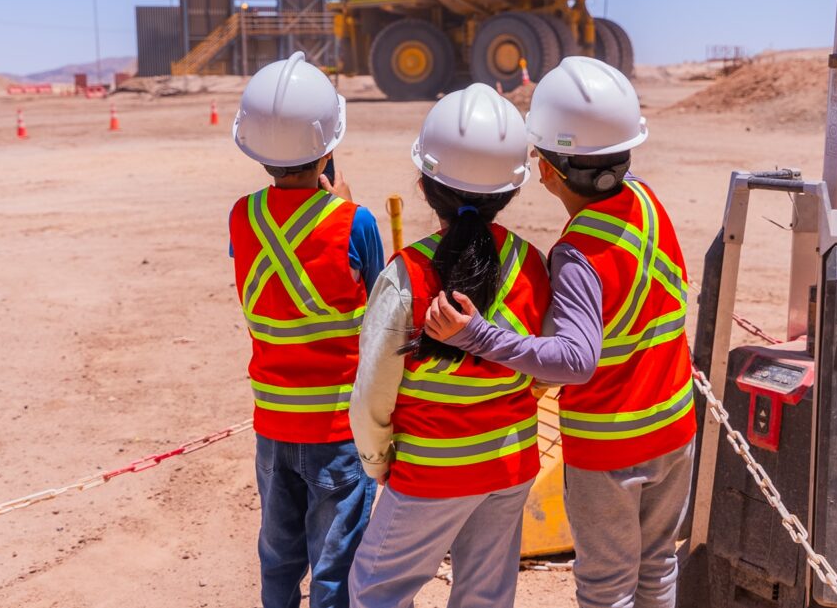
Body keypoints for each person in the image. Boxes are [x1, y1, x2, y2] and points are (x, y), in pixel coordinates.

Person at [425, 57, 696, 608]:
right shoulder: (647, 202)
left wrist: (480, 336)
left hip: (612, 447)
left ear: (545, 170)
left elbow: (575, 360)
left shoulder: (576, 254)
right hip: (675, 427)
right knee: (658, 566)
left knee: (607, 587)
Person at [347, 83, 552, 608]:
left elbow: (374, 391)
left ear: (423, 184)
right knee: (486, 595)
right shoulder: (531, 263)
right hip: (509, 465)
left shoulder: (405, 276)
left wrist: (377, 463)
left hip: (429, 472)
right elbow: (541, 368)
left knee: (375, 590)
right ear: (511, 191)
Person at [230, 52, 383, 608]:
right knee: (336, 561)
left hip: (272, 423)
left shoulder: (240, 218)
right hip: (338, 430)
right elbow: (378, 307)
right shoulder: (355, 221)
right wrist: (340, 207)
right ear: (328, 147)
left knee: (278, 555)